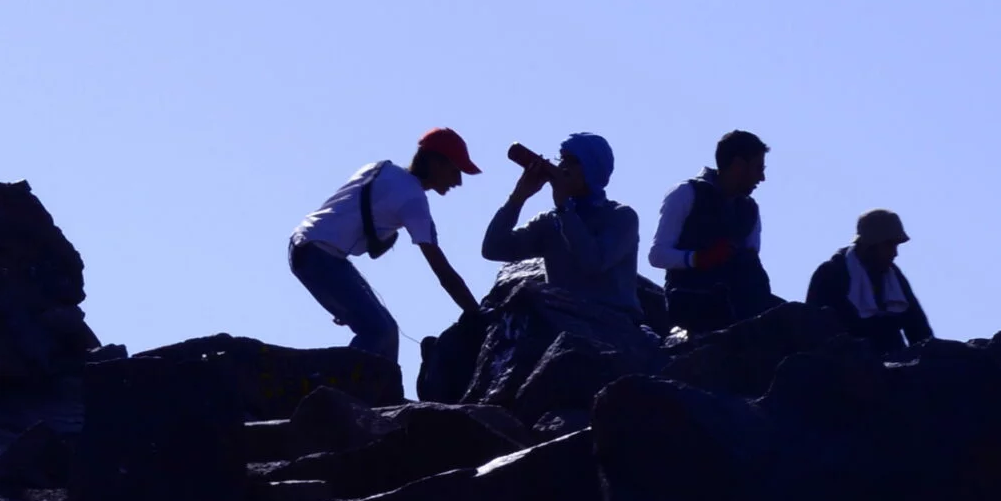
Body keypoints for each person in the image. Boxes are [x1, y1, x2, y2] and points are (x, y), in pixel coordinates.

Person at [290, 128, 484, 364]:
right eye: (455, 171)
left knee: (387, 331)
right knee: (378, 332)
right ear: (435, 162)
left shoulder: (380, 167)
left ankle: (381, 397)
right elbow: (442, 270)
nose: (459, 181)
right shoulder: (414, 200)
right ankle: (341, 390)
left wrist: (345, 298)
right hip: (320, 257)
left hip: (307, 247)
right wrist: (476, 313)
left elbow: (341, 212)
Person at [481, 132, 642, 318]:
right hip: (566, 319)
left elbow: (593, 262)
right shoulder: (550, 221)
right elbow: (493, 249)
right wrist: (518, 197)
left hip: (614, 323)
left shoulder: (621, 217)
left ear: (591, 168)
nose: (563, 166)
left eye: (572, 161)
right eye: (561, 159)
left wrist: (565, 207)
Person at [649, 129, 775, 335]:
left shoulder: (750, 210)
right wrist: (699, 259)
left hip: (733, 305)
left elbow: (752, 265)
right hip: (689, 300)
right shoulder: (685, 193)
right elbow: (657, 255)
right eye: (758, 168)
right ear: (738, 165)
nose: (762, 177)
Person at [806, 209, 933, 353]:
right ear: (869, 245)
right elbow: (814, 329)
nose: (895, 253)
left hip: (893, 364)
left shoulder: (894, 277)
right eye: (889, 245)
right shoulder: (830, 274)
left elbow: (918, 327)